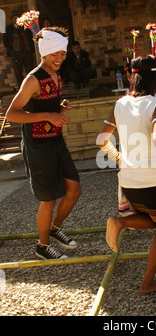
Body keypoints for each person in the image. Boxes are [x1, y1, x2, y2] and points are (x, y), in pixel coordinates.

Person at [96, 54, 156, 293]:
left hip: (128, 182)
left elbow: (101, 140)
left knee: (154, 219)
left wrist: (120, 159)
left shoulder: (119, 104)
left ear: (134, 78)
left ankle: (119, 222)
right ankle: (146, 283)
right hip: (153, 180)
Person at [5, 26, 81, 259]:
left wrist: (59, 107)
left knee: (74, 189)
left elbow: (45, 106)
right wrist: (49, 115)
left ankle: (55, 229)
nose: (59, 58)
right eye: (55, 53)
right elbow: (12, 114)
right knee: (48, 198)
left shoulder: (56, 76)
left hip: (56, 141)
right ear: (43, 53)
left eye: (63, 53)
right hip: (38, 145)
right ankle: (42, 246)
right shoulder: (32, 80)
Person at [3, 10, 35, 87]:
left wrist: (31, 49)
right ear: (12, 19)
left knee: (30, 69)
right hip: (16, 52)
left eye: (17, 18)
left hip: (27, 51)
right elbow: (5, 41)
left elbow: (30, 38)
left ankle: (32, 86)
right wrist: (11, 51)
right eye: (14, 18)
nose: (16, 20)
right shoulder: (9, 29)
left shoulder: (26, 27)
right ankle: (21, 88)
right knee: (18, 71)